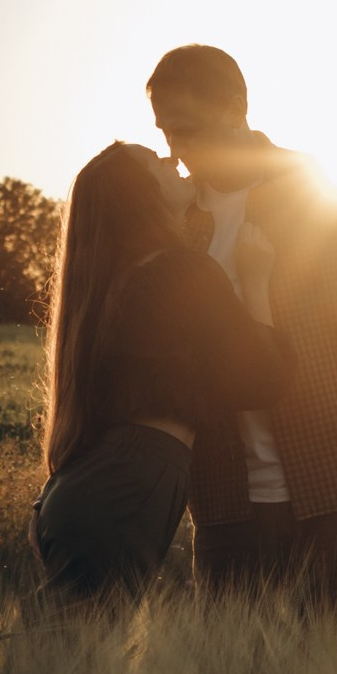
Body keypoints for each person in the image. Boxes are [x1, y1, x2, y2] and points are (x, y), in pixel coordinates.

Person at [145, 43, 337, 625]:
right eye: (165, 133)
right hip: (226, 504)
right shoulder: (173, 222)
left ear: (236, 109)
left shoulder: (327, 194)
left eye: (186, 130)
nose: (174, 153)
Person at [34, 140, 285, 600]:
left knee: (75, 654)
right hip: (128, 483)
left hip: (78, 490)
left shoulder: (113, 280)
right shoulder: (180, 270)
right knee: (87, 658)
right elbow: (262, 376)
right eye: (157, 161)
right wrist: (255, 280)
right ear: (142, 194)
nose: (173, 159)